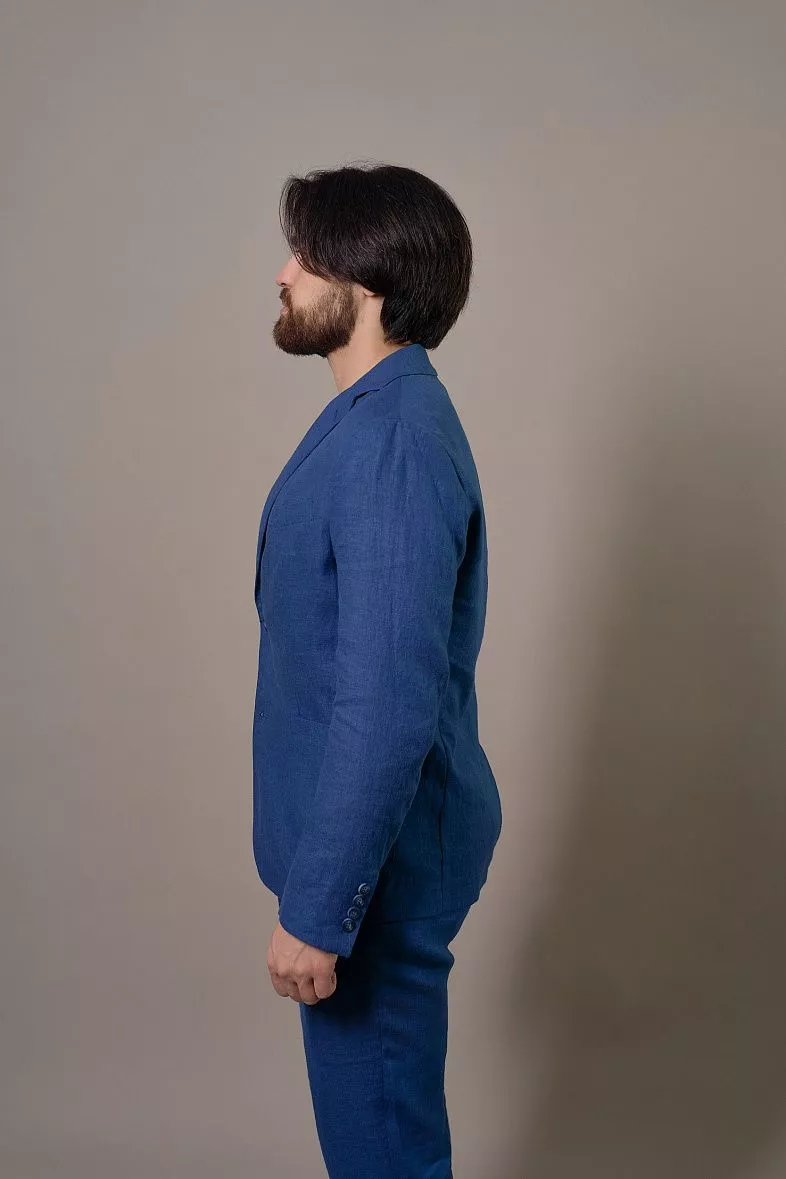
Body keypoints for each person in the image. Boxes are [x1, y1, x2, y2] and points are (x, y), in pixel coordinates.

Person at [252, 160, 502, 1178]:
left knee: (383, 1156)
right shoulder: (372, 418)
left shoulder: (393, 440)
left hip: (377, 876)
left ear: (369, 284)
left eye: (307, 258)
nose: (284, 274)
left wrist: (321, 910)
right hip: (368, 858)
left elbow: (389, 703)